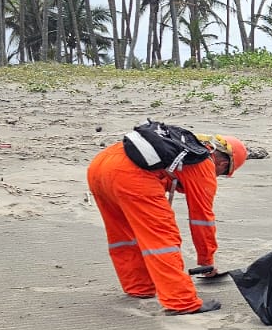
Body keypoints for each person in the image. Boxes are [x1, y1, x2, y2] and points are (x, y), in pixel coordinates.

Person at [86, 127, 249, 315]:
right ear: (221, 162)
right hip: (130, 175)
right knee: (163, 240)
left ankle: (139, 286)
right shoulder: (203, 163)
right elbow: (202, 221)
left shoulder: (183, 145)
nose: (217, 176)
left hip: (100, 166)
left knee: (122, 234)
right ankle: (181, 302)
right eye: (222, 173)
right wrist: (206, 262)